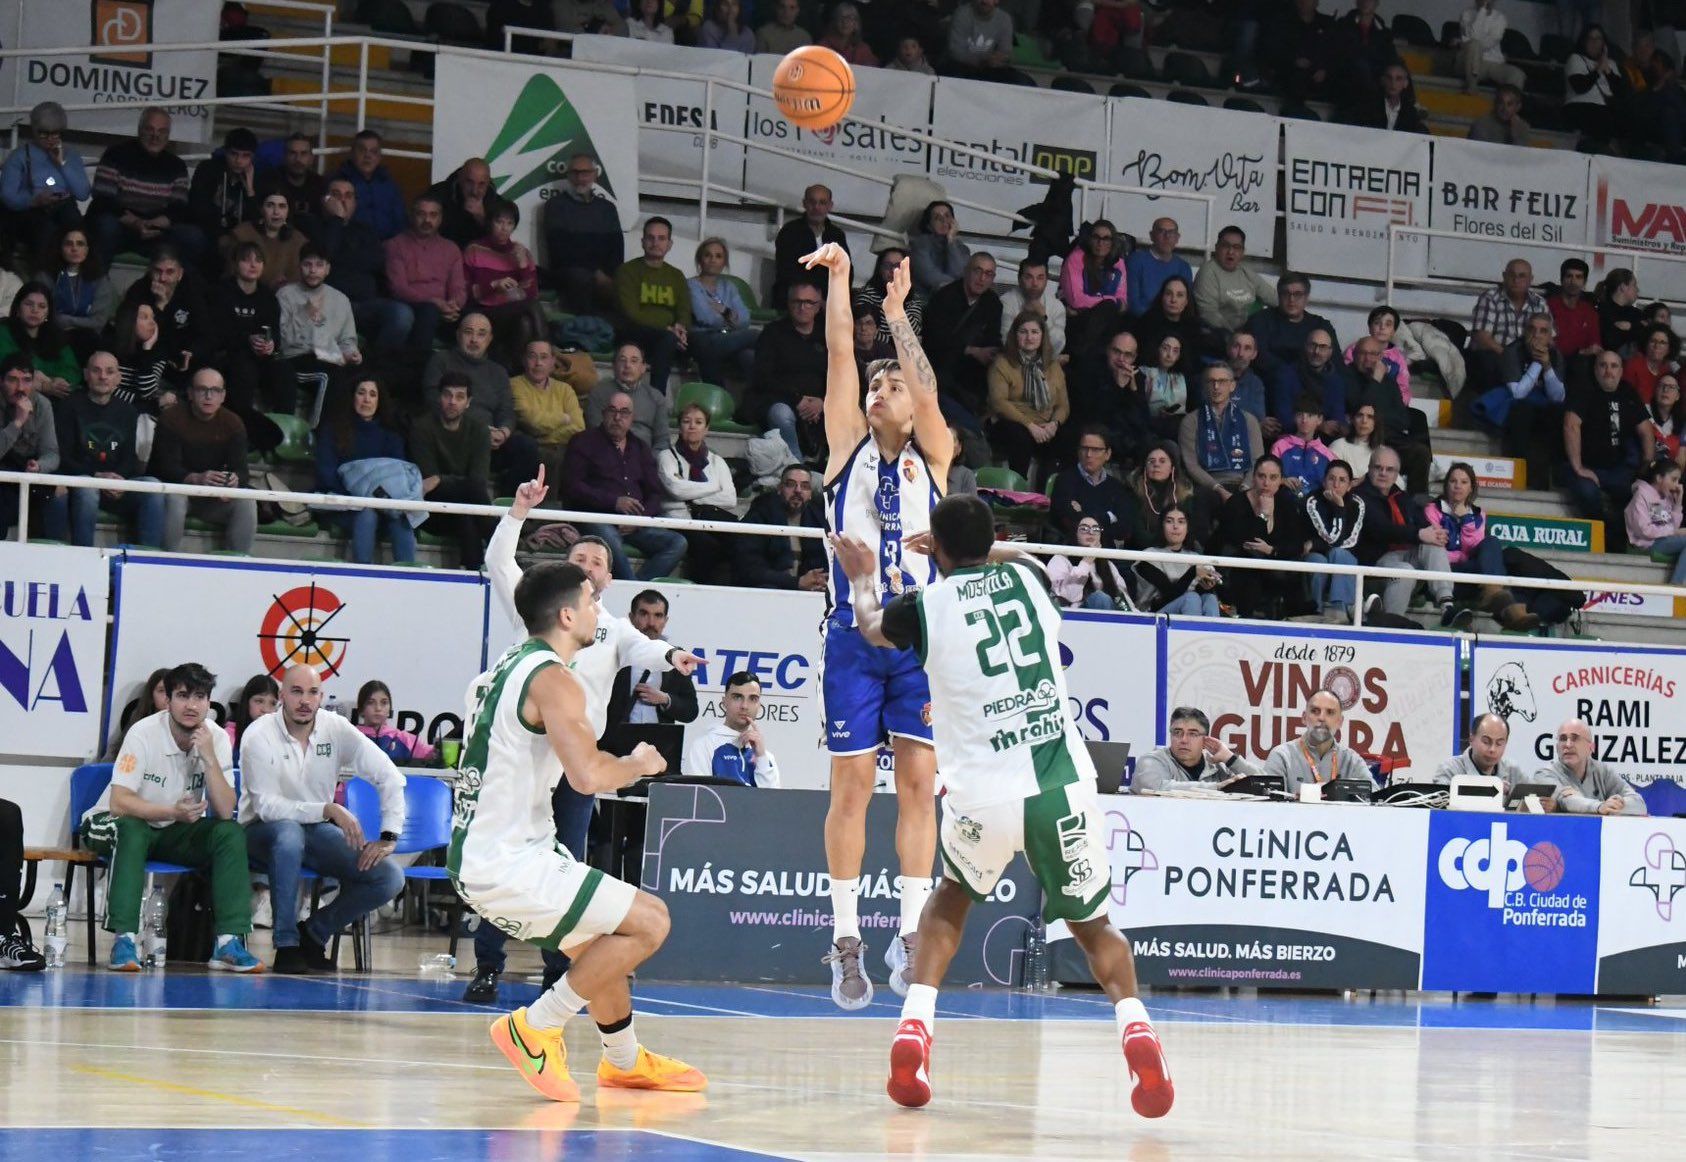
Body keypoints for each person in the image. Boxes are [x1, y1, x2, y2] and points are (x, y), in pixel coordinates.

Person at [831, 494, 1173, 1118]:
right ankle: (1137, 1029)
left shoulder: (925, 606)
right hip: (1055, 785)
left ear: (935, 548)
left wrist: (860, 579)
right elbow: (1024, 556)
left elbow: (870, 627)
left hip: (981, 796)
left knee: (947, 904)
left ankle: (915, 1028)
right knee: (1094, 926)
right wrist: (979, 545)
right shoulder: (1030, 579)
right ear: (991, 542)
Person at [454, 557, 707, 1101]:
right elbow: (588, 776)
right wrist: (640, 762)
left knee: (600, 944)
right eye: (593, 602)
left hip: (490, 851)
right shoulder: (554, 678)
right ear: (568, 615)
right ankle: (536, 1027)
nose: (601, 612)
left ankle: (623, 1059)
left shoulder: (508, 664)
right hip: (507, 859)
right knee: (651, 922)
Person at [465, 475, 702, 1004]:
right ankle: (489, 966)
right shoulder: (542, 621)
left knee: (566, 868)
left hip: (575, 766)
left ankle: (562, 975)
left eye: (597, 561)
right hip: (536, 762)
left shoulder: (611, 628)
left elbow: (646, 647)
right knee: (516, 867)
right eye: (580, 558)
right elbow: (499, 564)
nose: (588, 567)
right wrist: (518, 512)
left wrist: (672, 657)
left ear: (609, 579)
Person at [805, 242, 953, 1009]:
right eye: (875, 383)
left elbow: (925, 394)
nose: (879, 388)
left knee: (922, 785)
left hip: (920, 640)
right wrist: (840, 282)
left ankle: (907, 930)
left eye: (889, 385)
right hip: (853, 643)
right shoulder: (844, 449)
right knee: (853, 787)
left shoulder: (933, 455)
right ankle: (844, 940)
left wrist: (897, 321)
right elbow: (838, 352)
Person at [79, 662, 263, 973]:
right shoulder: (144, 732)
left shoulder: (215, 737)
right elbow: (120, 802)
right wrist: (171, 811)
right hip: (109, 823)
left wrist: (208, 758)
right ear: (169, 701)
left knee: (229, 833)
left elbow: (224, 809)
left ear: (209, 702)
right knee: (133, 829)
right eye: (182, 695)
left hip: (171, 830)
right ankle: (124, 940)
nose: (191, 705)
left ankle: (228, 942)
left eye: (200, 696)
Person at [239, 664, 408, 973]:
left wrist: (389, 836)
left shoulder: (336, 727)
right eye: (297, 691)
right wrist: (328, 809)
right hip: (259, 833)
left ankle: (313, 933)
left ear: (320, 696)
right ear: (281, 696)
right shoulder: (258, 734)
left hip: (314, 831)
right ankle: (286, 944)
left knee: (389, 878)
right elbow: (267, 807)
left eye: (313, 692)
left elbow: (390, 776)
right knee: (288, 834)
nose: (305, 700)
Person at [561, 389, 688, 581]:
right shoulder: (583, 442)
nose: (617, 417)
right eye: (612, 411)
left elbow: (655, 493)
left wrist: (639, 520)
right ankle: (634, 593)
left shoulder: (640, 447)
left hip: (633, 523)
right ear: (604, 414)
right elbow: (572, 486)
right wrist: (614, 502)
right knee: (609, 538)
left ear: (632, 418)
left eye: (624, 412)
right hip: (596, 517)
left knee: (678, 543)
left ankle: (635, 588)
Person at [54, 349, 166, 548]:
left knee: (152, 486)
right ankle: (84, 557)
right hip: (81, 484)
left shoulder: (128, 411)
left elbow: (130, 458)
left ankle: (148, 559)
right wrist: (97, 476)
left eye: (109, 371)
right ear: (86, 374)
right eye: (96, 370)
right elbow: (64, 457)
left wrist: (118, 480)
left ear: (118, 378)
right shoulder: (68, 406)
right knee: (87, 489)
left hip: (116, 485)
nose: (103, 376)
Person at [423, 313, 542, 494]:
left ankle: (508, 506)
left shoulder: (498, 371)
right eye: (468, 332)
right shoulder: (442, 361)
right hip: (455, 437)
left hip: (491, 441)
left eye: (481, 334)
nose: (474, 339)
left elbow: (506, 409)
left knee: (527, 448)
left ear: (490, 339)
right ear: (458, 335)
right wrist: (480, 431)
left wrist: (503, 431)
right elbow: (433, 399)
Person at [150, 367, 257, 555]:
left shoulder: (233, 423)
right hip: (178, 489)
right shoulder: (171, 419)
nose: (209, 396)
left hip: (213, 496)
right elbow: (165, 468)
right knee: (175, 499)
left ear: (223, 396)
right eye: (202, 390)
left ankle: (239, 563)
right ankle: (167, 559)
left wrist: (233, 481)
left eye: (215, 391)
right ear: (190, 393)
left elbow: (242, 471)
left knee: (247, 501)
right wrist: (195, 478)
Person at [315, 377, 419, 565]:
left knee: (400, 514)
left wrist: (381, 498)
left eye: (373, 394)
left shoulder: (391, 433)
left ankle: (410, 574)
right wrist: (360, 495)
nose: (367, 400)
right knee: (367, 512)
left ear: (379, 401)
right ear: (352, 397)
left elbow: (397, 474)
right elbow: (326, 473)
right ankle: (363, 573)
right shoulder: (333, 430)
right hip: (345, 502)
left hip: (384, 503)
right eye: (361, 393)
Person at [85, 107, 204, 266]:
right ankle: (93, 285)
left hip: (157, 230)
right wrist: (136, 223)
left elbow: (179, 208)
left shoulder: (176, 166)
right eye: (150, 129)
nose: (155, 136)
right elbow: (103, 199)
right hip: (122, 225)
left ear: (168, 136)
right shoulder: (115, 154)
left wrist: (155, 224)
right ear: (140, 130)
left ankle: (180, 288)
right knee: (105, 226)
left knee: (193, 237)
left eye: (162, 131)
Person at [1427, 462, 1539, 631]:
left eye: (1464, 482)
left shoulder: (1478, 516)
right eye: (1453, 481)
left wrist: (1466, 520)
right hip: (1445, 573)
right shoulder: (1432, 510)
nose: (1458, 486)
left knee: (1491, 542)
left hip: (1472, 574)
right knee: (1493, 569)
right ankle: (1511, 612)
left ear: (1471, 488)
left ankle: (1495, 593)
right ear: (1446, 484)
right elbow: (1439, 547)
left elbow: (1474, 547)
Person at [1353, 446, 1458, 623]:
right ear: (1369, 470)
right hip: (1375, 566)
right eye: (1378, 468)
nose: (1383, 473)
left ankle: (1446, 605)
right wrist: (1419, 534)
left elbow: (1422, 525)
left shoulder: (1401, 496)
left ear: (1397, 474)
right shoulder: (1360, 497)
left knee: (1433, 546)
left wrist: (1435, 534)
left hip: (1405, 560)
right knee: (1405, 570)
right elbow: (1381, 529)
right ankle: (1391, 623)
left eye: (1390, 469)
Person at [1563, 349, 1651, 550]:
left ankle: (1616, 538)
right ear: (1595, 369)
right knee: (1588, 494)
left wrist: (1648, 466)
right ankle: (1604, 533)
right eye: (1603, 365)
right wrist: (1578, 467)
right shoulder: (1583, 390)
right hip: (1586, 467)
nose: (1608, 371)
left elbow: (1646, 430)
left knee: (1636, 493)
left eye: (1614, 366)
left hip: (1618, 469)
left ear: (1621, 371)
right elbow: (1571, 425)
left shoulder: (1628, 392)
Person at [410, 373, 496, 569]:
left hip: (467, 507)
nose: (452, 402)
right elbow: (428, 484)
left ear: (468, 402)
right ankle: (503, 553)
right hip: (432, 511)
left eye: (459, 397)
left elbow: (478, 481)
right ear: (439, 397)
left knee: (465, 515)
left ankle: (473, 571)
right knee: (471, 501)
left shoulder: (479, 430)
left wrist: (441, 479)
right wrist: (443, 482)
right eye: (447, 395)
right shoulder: (422, 427)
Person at [1213, 454, 1307, 620]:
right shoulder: (1236, 503)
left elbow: (1297, 544)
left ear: (1280, 480)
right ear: (1254, 478)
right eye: (1261, 476)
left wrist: (1272, 550)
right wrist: (1263, 515)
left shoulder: (1286, 503)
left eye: (1273, 477)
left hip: (1275, 565)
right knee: (1251, 572)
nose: (1266, 483)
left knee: (1293, 574)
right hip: (1240, 565)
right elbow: (1247, 542)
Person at [1478, 312, 1567, 488]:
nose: (1537, 335)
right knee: (1522, 411)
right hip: (1516, 406)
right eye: (1532, 330)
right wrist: (1538, 363)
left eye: (1543, 331)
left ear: (1550, 337)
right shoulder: (1513, 351)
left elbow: (1557, 397)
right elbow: (1518, 393)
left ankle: (1557, 476)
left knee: (1561, 414)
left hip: (1542, 405)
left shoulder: (1556, 355)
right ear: (1524, 332)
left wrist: (1548, 365)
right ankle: (1519, 473)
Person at [213, 242, 293, 432]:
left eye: (258, 260)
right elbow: (217, 331)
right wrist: (247, 339)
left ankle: (284, 428)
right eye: (246, 260)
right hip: (231, 353)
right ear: (235, 264)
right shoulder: (220, 292)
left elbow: (274, 332)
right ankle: (242, 430)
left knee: (284, 369)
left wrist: (271, 344)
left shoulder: (268, 297)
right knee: (244, 369)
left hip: (261, 356)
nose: (253, 265)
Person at [657, 402, 738, 582]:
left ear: (706, 429)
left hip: (709, 519)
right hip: (677, 519)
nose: (692, 426)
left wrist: (692, 494)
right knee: (707, 545)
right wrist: (715, 486)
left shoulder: (717, 461)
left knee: (741, 543)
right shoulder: (666, 456)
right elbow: (676, 489)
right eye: (687, 421)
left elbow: (730, 498)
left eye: (699, 422)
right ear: (680, 427)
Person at [747, 283, 829, 459]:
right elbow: (763, 377)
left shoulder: (828, 336)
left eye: (808, 302)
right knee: (781, 414)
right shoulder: (772, 333)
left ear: (818, 306)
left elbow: (838, 377)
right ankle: (796, 466)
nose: (802, 307)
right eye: (796, 302)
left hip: (820, 402)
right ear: (788, 303)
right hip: (779, 399)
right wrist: (797, 400)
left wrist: (823, 402)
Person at [613, 217, 690, 397]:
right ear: (642, 242)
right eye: (650, 237)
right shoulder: (626, 271)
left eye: (661, 238)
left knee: (705, 344)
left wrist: (681, 328)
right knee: (667, 340)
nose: (655, 242)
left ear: (670, 244)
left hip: (670, 335)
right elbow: (630, 312)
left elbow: (684, 309)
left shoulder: (676, 275)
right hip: (635, 332)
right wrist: (668, 329)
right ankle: (657, 398)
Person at [0, 102, 89, 261]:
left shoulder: (70, 155)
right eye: (43, 134)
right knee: (45, 231)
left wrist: (62, 164)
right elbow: (7, 196)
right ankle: (43, 276)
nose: (50, 139)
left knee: (75, 228)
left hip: (63, 206)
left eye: (55, 134)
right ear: (34, 131)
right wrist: (33, 201)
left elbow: (83, 193)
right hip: (32, 210)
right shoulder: (19, 156)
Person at [277, 245, 361, 410]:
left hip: (332, 358)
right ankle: (322, 431)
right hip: (296, 357)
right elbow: (283, 339)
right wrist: (304, 314)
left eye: (319, 265)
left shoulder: (340, 299)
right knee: (333, 375)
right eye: (308, 264)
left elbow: (348, 339)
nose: (313, 270)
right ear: (299, 266)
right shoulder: (286, 295)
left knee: (363, 377)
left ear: (328, 269)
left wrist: (351, 352)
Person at [987, 312, 1068, 478]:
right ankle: (1019, 495)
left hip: (1045, 424)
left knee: (1066, 439)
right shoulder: (1002, 363)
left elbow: (1063, 405)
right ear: (1015, 335)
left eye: (1034, 332)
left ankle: (1045, 495)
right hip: (1012, 422)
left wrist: (1054, 424)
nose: (1029, 337)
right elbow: (999, 402)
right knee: (1020, 440)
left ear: (1042, 336)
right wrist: (1030, 425)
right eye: (1023, 332)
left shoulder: (1053, 365)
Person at [386, 194, 468, 358]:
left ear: (441, 218)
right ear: (411, 215)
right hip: (413, 305)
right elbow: (399, 289)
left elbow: (458, 287)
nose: (427, 220)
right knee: (429, 311)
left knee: (476, 318)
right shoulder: (396, 244)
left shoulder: (451, 248)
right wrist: (434, 302)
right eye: (421, 214)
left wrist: (454, 305)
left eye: (433, 215)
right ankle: (417, 367)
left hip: (445, 310)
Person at [463, 202, 545, 365]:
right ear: (490, 223)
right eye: (499, 222)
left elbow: (532, 294)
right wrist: (494, 286)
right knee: (532, 307)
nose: (504, 228)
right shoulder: (474, 250)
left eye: (509, 223)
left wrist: (522, 266)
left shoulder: (521, 253)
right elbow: (465, 291)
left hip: (513, 312)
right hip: (484, 311)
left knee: (525, 323)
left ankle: (513, 372)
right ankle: (545, 352)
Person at [604, 590, 701, 728]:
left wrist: (665, 699)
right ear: (631, 617)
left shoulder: (675, 656)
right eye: (644, 614)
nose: (651, 622)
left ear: (665, 620)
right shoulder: (614, 652)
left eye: (658, 615)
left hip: (658, 743)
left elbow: (691, 710)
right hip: (615, 741)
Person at [543, 154, 623, 316]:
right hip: (570, 274)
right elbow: (560, 252)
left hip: (604, 275)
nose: (580, 178)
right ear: (568, 175)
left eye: (585, 172)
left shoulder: (607, 208)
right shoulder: (555, 206)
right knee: (580, 277)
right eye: (575, 172)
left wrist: (609, 276)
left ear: (595, 174)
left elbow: (617, 249)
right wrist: (596, 272)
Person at [0, 354, 63, 539]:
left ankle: (46, 559)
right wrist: (18, 422)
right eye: (13, 380)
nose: (20, 388)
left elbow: (52, 453)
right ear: (1, 381)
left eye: (26, 381)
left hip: (28, 474)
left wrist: (40, 465)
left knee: (55, 495)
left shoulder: (42, 405)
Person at [735, 465, 828, 590]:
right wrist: (797, 583)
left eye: (805, 486)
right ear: (779, 489)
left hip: (811, 593)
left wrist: (818, 581)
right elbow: (750, 570)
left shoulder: (819, 520)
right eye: (791, 484)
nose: (798, 490)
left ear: (811, 494)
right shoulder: (759, 517)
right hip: (769, 592)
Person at [1180, 363, 1262, 504]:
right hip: (1207, 486)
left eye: (1222, 381)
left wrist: (1245, 488)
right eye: (1211, 381)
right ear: (1205, 386)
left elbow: (1258, 461)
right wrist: (1218, 489)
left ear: (1232, 386)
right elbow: (1191, 465)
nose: (1216, 387)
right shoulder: (1191, 421)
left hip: (1243, 485)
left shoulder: (1249, 420)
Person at [1262, 690, 1372, 795]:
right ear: (1304, 718)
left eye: (1330, 712)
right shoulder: (1282, 757)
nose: (1322, 718)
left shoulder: (1352, 761)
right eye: (1315, 711)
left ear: (1340, 722)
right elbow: (1267, 804)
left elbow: (1375, 800)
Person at [681, 671, 781, 784]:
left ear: (759, 705)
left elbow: (772, 799)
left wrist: (761, 758)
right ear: (724, 702)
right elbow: (695, 796)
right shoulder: (703, 746)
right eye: (737, 697)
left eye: (752, 699)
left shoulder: (766, 757)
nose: (744, 706)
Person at [1048, 424, 1139, 546]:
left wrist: (1084, 515)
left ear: (1107, 454)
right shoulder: (1064, 481)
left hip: (1107, 555)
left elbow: (1124, 529)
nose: (1089, 454)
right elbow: (1067, 521)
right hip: (1073, 552)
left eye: (1096, 450)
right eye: (1084, 448)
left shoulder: (1117, 487)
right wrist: (1108, 517)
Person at [512, 339, 587, 483]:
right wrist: (563, 419)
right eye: (532, 356)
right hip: (532, 450)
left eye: (544, 357)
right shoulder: (515, 385)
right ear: (524, 360)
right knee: (550, 458)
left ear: (553, 362)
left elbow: (578, 426)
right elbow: (532, 421)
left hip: (560, 446)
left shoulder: (565, 389)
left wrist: (542, 437)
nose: (538, 363)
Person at [687, 238, 757, 391]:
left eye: (718, 256)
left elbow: (745, 319)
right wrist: (731, 318)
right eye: (708, 255)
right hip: (703, 339)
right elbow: (705, 317)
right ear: (700, 259)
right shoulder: (691, 285)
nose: (713, 260)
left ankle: (752, 405)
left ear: (724, 262)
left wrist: (724, 310)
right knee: (756, 336)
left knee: (749, 357)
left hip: (729, 339)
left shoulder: (729, 287)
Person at [1132, 706, 1259, 791]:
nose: (1183, 739)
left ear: (1205, 741)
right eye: (1177, 732)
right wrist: (1217, 788)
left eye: (1192, 734)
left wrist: (1231, 759)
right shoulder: (1152, 761)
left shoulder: (1217, 767)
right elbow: (1156, 789)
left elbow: (1266, 787)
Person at [1537, 719, 1645, 815]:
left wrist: (1617, 804)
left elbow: (1639, 804)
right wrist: (1600, 807)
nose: (1568, 744)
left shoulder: (1603, 771)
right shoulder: (1545, 774)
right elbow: (1567, 802)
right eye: (1563, 739)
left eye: (1575, 738)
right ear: (1556, 747)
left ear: (1591, 747)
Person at [1245, 273, 1338, 384]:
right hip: (1271, 384)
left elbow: (1337, 361)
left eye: (1297, 294)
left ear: (1306, 297)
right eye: (1286, 293)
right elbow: (1260, 359)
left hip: (1314, 386)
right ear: (1279, 295)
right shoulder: (1260, 321)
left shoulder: (1321, 325)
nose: (1291, 299)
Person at [1301, 460, 1363, 623]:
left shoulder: (1358, 503)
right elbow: (1332, 538)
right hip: (1316, 555)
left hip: (1343, 555)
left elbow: (1349, 542)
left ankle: (1339, 611)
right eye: (1331, 479)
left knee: (1339, 553)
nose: (1336, 485)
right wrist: (1339, 509)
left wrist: (1315, 543)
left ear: (1350, 486)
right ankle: (1316, 611)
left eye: (1342, 480)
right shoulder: (1312, 501)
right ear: (1323, 482)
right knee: (1318, 560)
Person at [1133, 505, 1221, 616]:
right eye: (1169, 521)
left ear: (1187, 528)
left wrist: (1207, 586)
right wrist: (1193, 572)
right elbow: (1169, 595)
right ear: (1162, 526)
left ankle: (1211, 633)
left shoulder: (1196, 557)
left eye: (1181, 522)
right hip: (1153, 615)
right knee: (1191, 598)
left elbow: (1202, 595)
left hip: (1190, 609)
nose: (1175, 526)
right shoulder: (1148, 557)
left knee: (1210, 599)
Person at [586, 342, 672, 454]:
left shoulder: (655, 397)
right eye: (622, 360)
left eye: (634, 361)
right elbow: (595, 434)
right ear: (614, 365)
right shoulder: (599, 393)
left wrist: (650, 462)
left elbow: (662, 440)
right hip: (609, 457)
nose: (627, 365)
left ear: (643, 368)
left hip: (645, 460)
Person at [0, 281, 82, 398]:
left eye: (42, 306)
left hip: (56, 397)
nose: (35, 310)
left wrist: (58, 381)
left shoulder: (56, 337)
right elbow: (6, 365)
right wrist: (42, 385)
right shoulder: (3, 331)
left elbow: (72, 370)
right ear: (18, 308)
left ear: (48, 313)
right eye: (29, 304)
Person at [1192, 226, 1277, 337]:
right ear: (1217, 248)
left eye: (1236, 247)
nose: (1231, 252)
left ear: (1242, 252)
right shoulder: (1207, 273)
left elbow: (1274, 299)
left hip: (1250, 336)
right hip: (1221, 336)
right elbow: (1209, 314)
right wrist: (1235, 337)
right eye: (1226, 246)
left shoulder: (1246, 271)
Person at [42, 226, 116, 354]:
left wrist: (66, 320)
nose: (74, 248)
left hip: (87, 338)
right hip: (52, 335)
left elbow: (98, 322)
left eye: (80, 244)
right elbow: (45, 316)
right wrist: (78, 322)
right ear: (60, 248)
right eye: (68, 244)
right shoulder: (46, 277)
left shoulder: (100, 280)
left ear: (87, 250)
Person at [774, 186, 848, 309]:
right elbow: (787, 271)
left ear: (830, 206)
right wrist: (815, 300)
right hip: (796, 298)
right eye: (812, 202)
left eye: (822, 203)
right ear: (804, 204)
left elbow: (845, 270)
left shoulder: (837, 234)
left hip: (828, 300)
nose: (817, 207)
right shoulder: (789, 232)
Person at [1060, 219, 1128, 351]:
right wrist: (1108, 300)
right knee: (1108, 307)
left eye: (1106, 238)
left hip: (1104, 319)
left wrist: (1108, 302)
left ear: (1112, 242)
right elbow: (1076, 300)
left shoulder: (1118, 263)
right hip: (1078, 318)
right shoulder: (1076, 258)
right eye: (1096, 237)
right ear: (1089, 239)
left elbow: (1123, 303)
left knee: (1111, 312)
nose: (1100, 243)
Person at [189, 127, 260, 242]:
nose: (238, 161)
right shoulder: (208, 169)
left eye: (245, 156)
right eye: (234, 154)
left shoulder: (258, 178)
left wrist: (250, 191)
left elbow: (257, 222)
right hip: (207, 234)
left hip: (239, 240)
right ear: (225, 152)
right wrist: (221, 236)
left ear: (253, 157)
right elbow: (197, 208)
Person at [335, 129, 407, 241]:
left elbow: (400, 223)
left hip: (386, 250)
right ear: (352, 153)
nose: (367, 156)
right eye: (362, 150)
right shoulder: (338, 183)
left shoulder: (390, 186)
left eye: (373, 151)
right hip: (348, 249)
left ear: (379, 157)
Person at [1048, 518, 1134, 610]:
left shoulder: (1108, 565)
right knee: (1100, 598)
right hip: (1073, 617)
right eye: (1084, 528)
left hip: (1110, 616)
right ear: (1075, 533)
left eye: (1096, 529)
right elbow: (1069, 596)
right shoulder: (1060, 560)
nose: (1091, 532)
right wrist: (1086, 561)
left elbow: (1123, 599)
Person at [1563, 24, 1627, 147]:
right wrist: (1598, 70)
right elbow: (1580, 87)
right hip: (1581, 106)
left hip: (1606, 107)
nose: (1594, 43)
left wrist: (1607, 70)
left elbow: (1620, 90)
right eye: (1590, 39)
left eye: (1598, 39)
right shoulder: (1575, 59)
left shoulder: (1611, 63)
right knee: (1602, 117)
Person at [428, 158, 511, 251]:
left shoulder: (498, 204)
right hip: (443, 254)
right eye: (469, 182)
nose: (474, 191)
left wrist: (482, 217)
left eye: (481, 184)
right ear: (460, 177)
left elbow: (501, 243)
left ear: (488, 182)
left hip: (480, 260)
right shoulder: (437, 195)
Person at [1626, 459, 1686, 584]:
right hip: (1647, 545)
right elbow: (1646, 531)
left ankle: (1678, 585)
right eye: (1673, 479)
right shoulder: (1641, 496)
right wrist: (1675, 532)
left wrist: (1678, 504)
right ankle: (1676, 587)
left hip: (1659, 541)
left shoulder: (1660, 496)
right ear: (1659, 478)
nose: (1677, 485)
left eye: (1678, 481)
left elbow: (1665, 527)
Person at [354, 679, 438, 765]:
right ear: (361, 709)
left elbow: (435, 757)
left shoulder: (405, 740)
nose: (378, 708)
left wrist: (440, 752)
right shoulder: (350, 737)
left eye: (384, 703)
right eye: (371, 702)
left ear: (389, 709)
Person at [996, 258, 1067, 359]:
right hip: (1012, 366)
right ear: (1019, 279)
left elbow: (1057, 347)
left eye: (1040, 277)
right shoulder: (1006, 302)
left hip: (1044, 367)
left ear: (1047, 280)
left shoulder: (1056, 306)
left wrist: (1043, 318)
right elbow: (1006, 345)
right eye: (1029, 277)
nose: (1035, 283)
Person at [1435, 713, 1527, 789]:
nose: (1492, 749)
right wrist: (1488, 790)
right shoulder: (1449, 770)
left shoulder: (1513, 771)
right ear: (1471, 739)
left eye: (1499, 744)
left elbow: (1534, 798)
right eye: (1486, 742)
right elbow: (1440, 804)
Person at [1126, 219, 1194, 317]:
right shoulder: (1136, 261)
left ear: (1177, 238)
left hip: (1173, 324)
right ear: (1151, 235)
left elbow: (1186, 304)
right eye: (1161, 231)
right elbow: (1133, 303)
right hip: (1142, 321)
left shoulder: (1184, 267)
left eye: (1171, 232)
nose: (1167, 236)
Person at [256, 132, 327, 225]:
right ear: (284, 156)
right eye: (293, 153)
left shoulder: (321, 185)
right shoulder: (268, 181)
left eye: (303, 153)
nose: (298, 159)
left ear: (311, 158)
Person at [1271, 395, 1332, 499]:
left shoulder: (1328, 455)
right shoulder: (1280, 446)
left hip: (1314, 508)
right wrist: (1282, 481)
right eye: (1300, 415)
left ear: (1319, 419)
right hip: (1284, 504)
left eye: (1310, 415)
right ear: (1294, 417)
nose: (1304, 420)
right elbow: (1268, 477)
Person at [1458, 0, 1527, 92]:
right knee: (1474, 45)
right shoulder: (1466, 14)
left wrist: (1464, 41)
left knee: (1517, 75)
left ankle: (1508, 103)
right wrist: (1482, 11)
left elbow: (1489, 43)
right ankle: (1472, 89)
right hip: (1469, 63)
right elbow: (1474, 37)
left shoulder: (1500, 18)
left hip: (1494, 64)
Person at [908, 201, 970, 297]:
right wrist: (960, 288)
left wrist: (951, 241)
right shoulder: (920, 244)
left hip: (955, 297)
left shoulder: (962, 248)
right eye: (937, 218)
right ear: (929, 225)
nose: (943, 220)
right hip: (925, 299)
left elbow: (959, 273)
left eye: (947, 216)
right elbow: (930, 277)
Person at [1548, 259, 1601, 370]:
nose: (1573, 281)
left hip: (1580, 367)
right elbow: (1549, 344)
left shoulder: (1590, 311)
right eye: (1569, 276)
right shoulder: (1548, 306)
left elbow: (1594, 346)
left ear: (1584, 282)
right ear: (1561, 279)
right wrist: (1580, 351)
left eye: (1578, 277)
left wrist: (1583, 352)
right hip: (1553, 364)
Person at [226, 674, 279, 765]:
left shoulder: (282, 738)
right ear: (246, 702)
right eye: (259, 701)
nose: (266, 709)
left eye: (273, 703)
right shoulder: (228, 736)